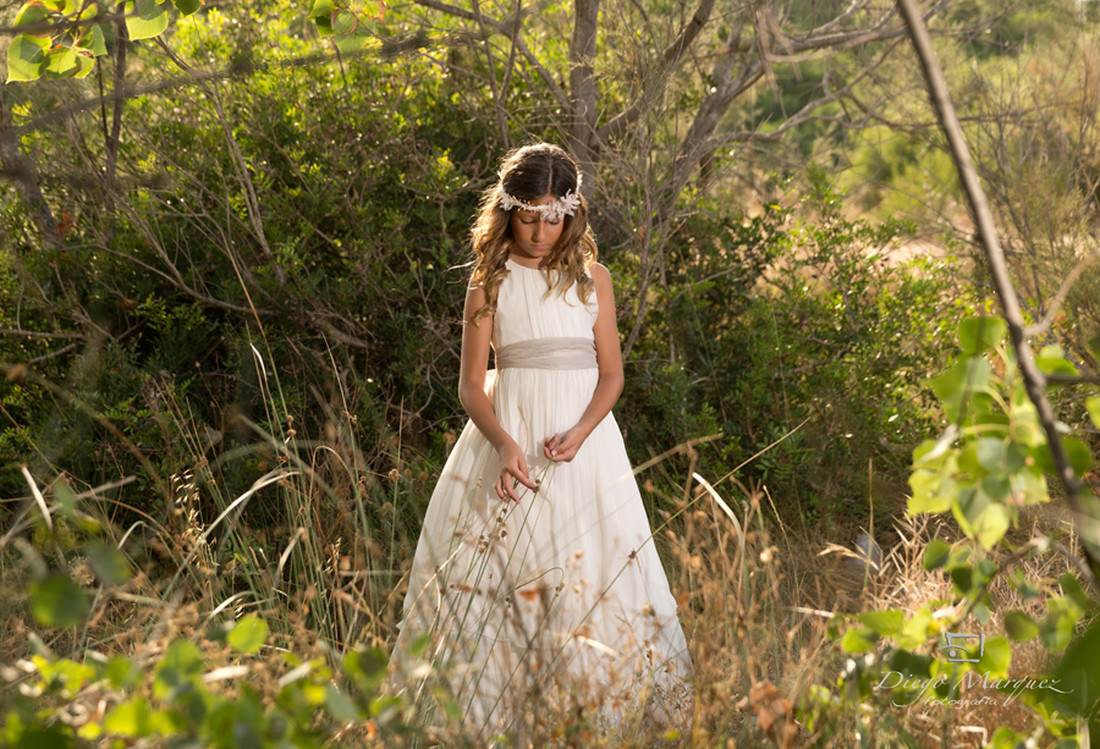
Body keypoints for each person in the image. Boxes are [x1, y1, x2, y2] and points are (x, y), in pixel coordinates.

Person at [391, 143, 692, 740]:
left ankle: (596, 714)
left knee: (589, 572)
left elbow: (612, 375)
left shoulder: (592, 279)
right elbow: (472, 387)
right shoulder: (491, 279)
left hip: (584, 447)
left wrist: (582, 430)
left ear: (572, 212)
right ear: (508, 211)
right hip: (512, 445)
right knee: (500, 576)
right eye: (528, 216)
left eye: (553, 217)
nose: (540, 231)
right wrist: (505, 444)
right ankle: (487, 718)